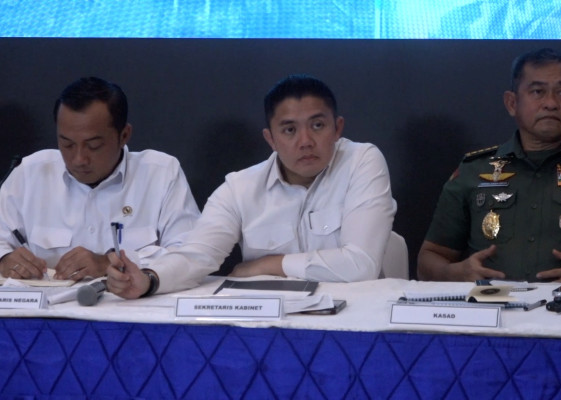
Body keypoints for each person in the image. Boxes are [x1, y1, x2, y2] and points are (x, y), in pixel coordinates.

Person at [107, 74, 397, 298]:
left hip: (353, 320)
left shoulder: (362, 161)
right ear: (271, 139)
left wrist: (268, 264)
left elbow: (361, 264)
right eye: (290, 130)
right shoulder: (239, 188)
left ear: (338, 128)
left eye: (318, 126)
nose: (306, 141)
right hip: (269, 321)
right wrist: (149, 280)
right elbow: (197, 256)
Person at [417, 47, 561, 283]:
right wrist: (454, 273)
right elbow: (429, 258)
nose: (551, 103)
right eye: (537, 91)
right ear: (512, 103)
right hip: (491, 304)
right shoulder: (475, 170)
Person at [0, 77, 200, 283]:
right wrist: (4, 259)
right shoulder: (29, 173)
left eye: (93, 146)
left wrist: (110, 263)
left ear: (124, 135)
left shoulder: (160, 174)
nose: (78, 159)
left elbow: (191, 255)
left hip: (130, 303)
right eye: (67, 144)